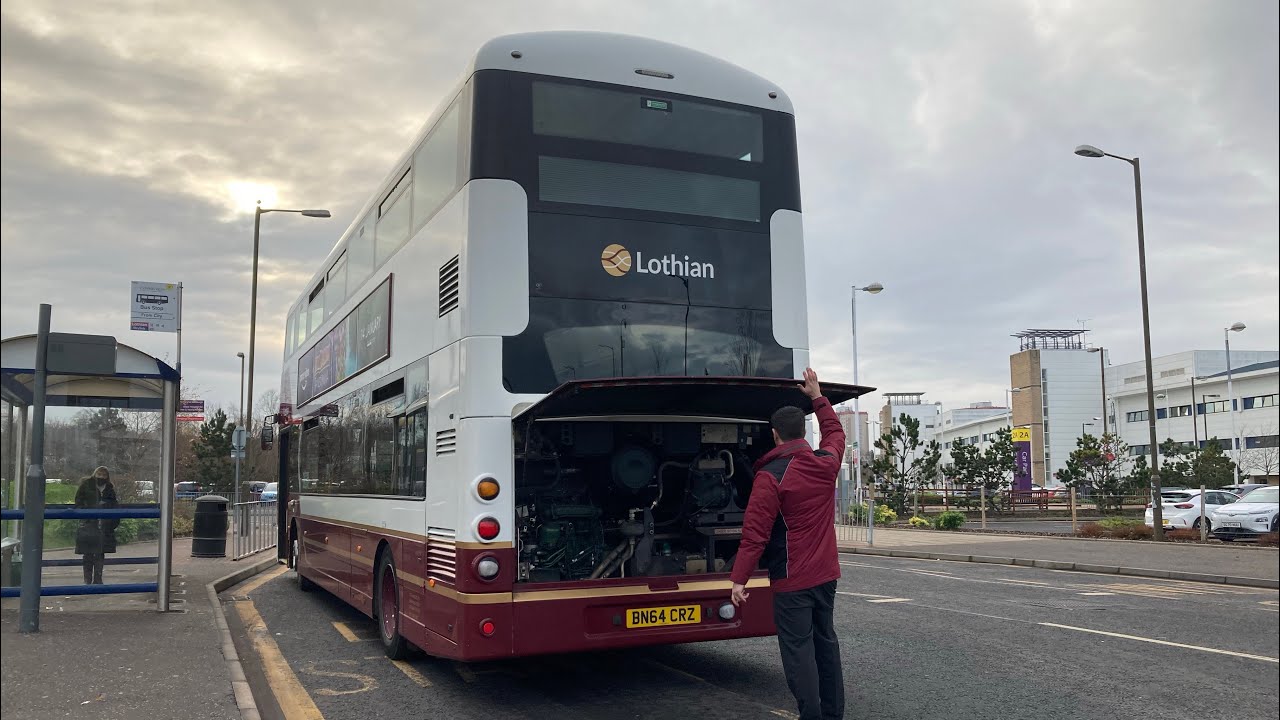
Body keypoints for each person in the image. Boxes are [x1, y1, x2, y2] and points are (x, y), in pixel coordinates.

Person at [730, 368, 846, 720]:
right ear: (803, 432)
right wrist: (818, 397)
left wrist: (739, 579)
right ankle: (832, 714)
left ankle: (811, 715)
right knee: (826, 644)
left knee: (798, 651)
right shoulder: (826, 463)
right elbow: (835, 433)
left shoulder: (770, 477)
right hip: (826, 576)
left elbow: (755, 534)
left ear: (774, 434)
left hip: (792, 581)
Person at [74, 466, 119, 585]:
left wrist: (112, 522)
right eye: (99, 474)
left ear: (107, 477)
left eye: (104, 475)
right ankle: (87, 580)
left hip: (104, 525)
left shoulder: (109, 488)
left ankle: (98, 579)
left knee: (100, 552)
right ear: (94, 474)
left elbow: (114, 505)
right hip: (89, 523)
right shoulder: (86, 486)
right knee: (88, 553)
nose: (101, 477)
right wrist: (88, 514)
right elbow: (78, 502)